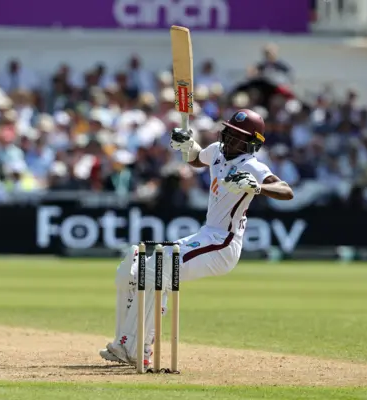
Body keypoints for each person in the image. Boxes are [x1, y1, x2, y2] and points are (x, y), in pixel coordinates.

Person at [99, 109, 294, 366]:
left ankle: (136, 347)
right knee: (137, 265)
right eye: (229, 132)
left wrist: (257, 187)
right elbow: (196, 159)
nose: (230, 138)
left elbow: (286, 190)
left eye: (238, 136)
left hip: (223, 243)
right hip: (206, 234)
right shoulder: (216, 150)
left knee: (160, 265)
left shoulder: (251, 166)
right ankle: (129, 345)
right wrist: (187, 146)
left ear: (251, 143)